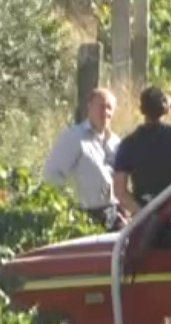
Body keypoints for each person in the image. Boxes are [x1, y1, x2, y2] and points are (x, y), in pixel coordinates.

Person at [112, 86, 171, 217]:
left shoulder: (128, 143)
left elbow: (120, 192)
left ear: (142, 110)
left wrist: (142, 214)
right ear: (165, 108)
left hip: (147, 219)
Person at [42, 88, 125, 230]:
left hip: (113, 210)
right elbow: (52, 174)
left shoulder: (116, 142)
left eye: (109, 108)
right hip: (86, 214)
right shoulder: (75, 137)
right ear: (89, 106)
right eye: (101, 107)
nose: (105, 112)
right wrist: (63, 209)